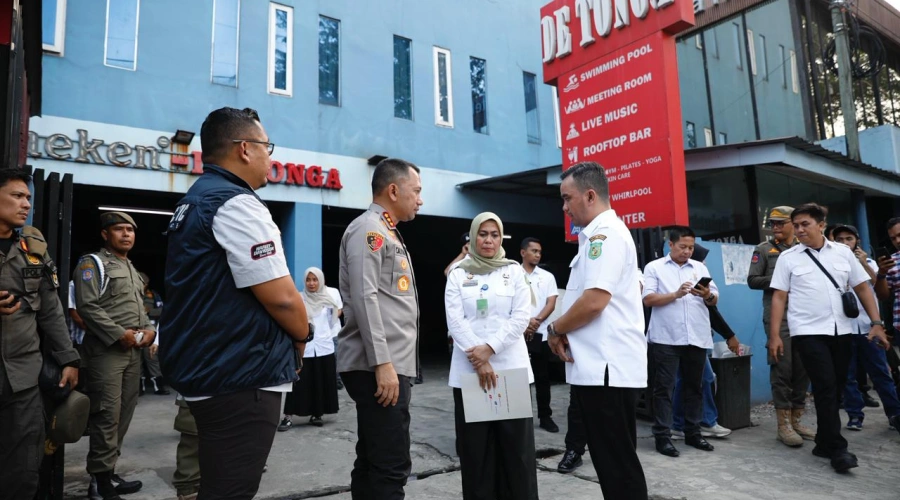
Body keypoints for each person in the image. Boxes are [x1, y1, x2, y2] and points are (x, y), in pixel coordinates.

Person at [159, 107, 311, 500]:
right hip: (241, 377)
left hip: (215, 370)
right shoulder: (236, 204)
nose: (270, 157)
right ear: (245, 149)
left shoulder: (196, 199)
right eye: (266, 147)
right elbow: (281, 299)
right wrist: (303, 334)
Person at [547, 161, 648, 499]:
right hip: (599, 369)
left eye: (567, 198)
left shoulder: (604, 236)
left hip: (608, 370)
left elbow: (593, 301)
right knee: (612, 462)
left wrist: (555, 328)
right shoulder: (596, 236)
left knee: (617, 464)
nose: (564, 207)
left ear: (589, 195)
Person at [768, 203, 889, 473]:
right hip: (808, 332)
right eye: (795, 225)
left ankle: (823, 441)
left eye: (804, 224)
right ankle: (837, 448)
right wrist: (775, 335)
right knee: (824, 385)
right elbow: (779, 296)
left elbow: (862, 288)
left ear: (821, 225)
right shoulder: (788, 258)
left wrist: (877, 323)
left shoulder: (843, 253)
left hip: (842, 330)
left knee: (835, 389)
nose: (798, 230)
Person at [338, 157, 422, 499]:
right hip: (380, 367)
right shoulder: (369, 230)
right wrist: (382, 363)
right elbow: (364, 296)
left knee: (372, 457)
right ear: (393, 189)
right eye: (416, 191)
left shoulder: (386, 231)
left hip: (387, 364)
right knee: (391, 463)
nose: (420, 199)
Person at [445, 212, 537, 499]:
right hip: (471, 372)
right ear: (473, 237)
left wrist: (490, 349)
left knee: (517, 452)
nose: (488, 240)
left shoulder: (514, 271)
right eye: (483, 234)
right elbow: (455, 321)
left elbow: (521, 316)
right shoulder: (458, 274)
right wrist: (480, 358)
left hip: (511, 371)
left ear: (501, 238)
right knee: (476, 452)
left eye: (494, 235)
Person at [0, 169, 80, 500]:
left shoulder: (32, 246)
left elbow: (50, 308)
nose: (25, 204)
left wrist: (68, 358)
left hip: (22, 376)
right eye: (17, 196)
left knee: (22, 469)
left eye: (28, 197)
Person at [75, 211, 154, 499]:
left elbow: (139, 309)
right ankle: (98, 481)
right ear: (105, 234)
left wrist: (150, 331)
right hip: (106, 352)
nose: (126, 234)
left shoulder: (131, 268)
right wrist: (118, 334)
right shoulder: (92, 263)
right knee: (106, 414)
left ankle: (108, 470)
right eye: (119, 229)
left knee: (123, 414)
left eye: (130, 230)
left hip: (133, 352)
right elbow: (88, 306)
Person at [643, 226, 718, 458]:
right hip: (666, 337)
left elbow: (714, 300)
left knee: (694, 387)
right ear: (671, 245)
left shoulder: (700, 267)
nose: (687, 252)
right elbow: (648, 299)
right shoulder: (654, 267)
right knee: (664, 388)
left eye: (691, 247)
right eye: (683, 247)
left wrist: (706, 295)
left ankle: (693, 433)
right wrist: (675, 294)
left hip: (696, 336)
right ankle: (663, 436)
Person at [747, 206, 813, 447]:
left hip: (805, 315)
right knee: (782, 366)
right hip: (778, 317)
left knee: (803, 367)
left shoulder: (805, 249)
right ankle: (783, 425)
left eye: (780, 223)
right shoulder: (764, 250)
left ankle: (797, 420)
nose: (775, 226)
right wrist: (782, 280)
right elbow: (753, 280)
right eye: (772, 223)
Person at [832, 225, 900, 433]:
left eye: (849, 239)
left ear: (857, 241)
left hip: (870, 327)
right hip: (844, 328)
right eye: (840, 239)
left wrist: (862, 264)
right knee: (848, 375)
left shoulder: (870, 262)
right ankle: (855, 415)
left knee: (881, 372)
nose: (845, 243)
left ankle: (894, 414)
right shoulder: (831, 265)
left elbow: (880, 287)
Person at [671, 243, 738, 440]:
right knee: (702, 379)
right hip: (685, 340)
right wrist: (729, 335)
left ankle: (680, 424)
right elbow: (713, 313)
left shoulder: (699, 283)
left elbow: (711, 306)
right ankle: (705, 422)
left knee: (687, 381)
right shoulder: (685, 283)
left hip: (697, 338)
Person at [280, 267, 341, 430]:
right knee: (298, 382)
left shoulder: (328, 300)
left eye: (315, 280)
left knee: (319, 380)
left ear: (320, 281)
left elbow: (331, 321)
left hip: (323, 346)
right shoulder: (299, 298)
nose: (312, 283)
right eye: (308, 280)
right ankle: (288, 417)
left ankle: (317, 414)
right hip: (304, 347)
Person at [520, 236, 560, 433]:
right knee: (520, 377)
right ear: (523, 252)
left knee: (542, 377)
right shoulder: (512, 274)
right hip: (517, 333)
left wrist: (535, 322)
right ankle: (522, 417)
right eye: (534, 251)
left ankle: (545, 417)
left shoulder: (547, 277)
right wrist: (524, 323)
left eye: (539, 252)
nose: (537, 254)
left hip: (540, 333)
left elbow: (551, 303)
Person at [137, 272, 168, 396]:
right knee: (136, 360)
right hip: (135, 331)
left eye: (145, 283)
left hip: (151, 331)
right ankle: (139, 388)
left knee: (152, 357)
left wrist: (149, 311)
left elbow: (163, 310)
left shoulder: (153, 295)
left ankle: (158, 386)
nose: (143, 285)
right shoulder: (129, 294)